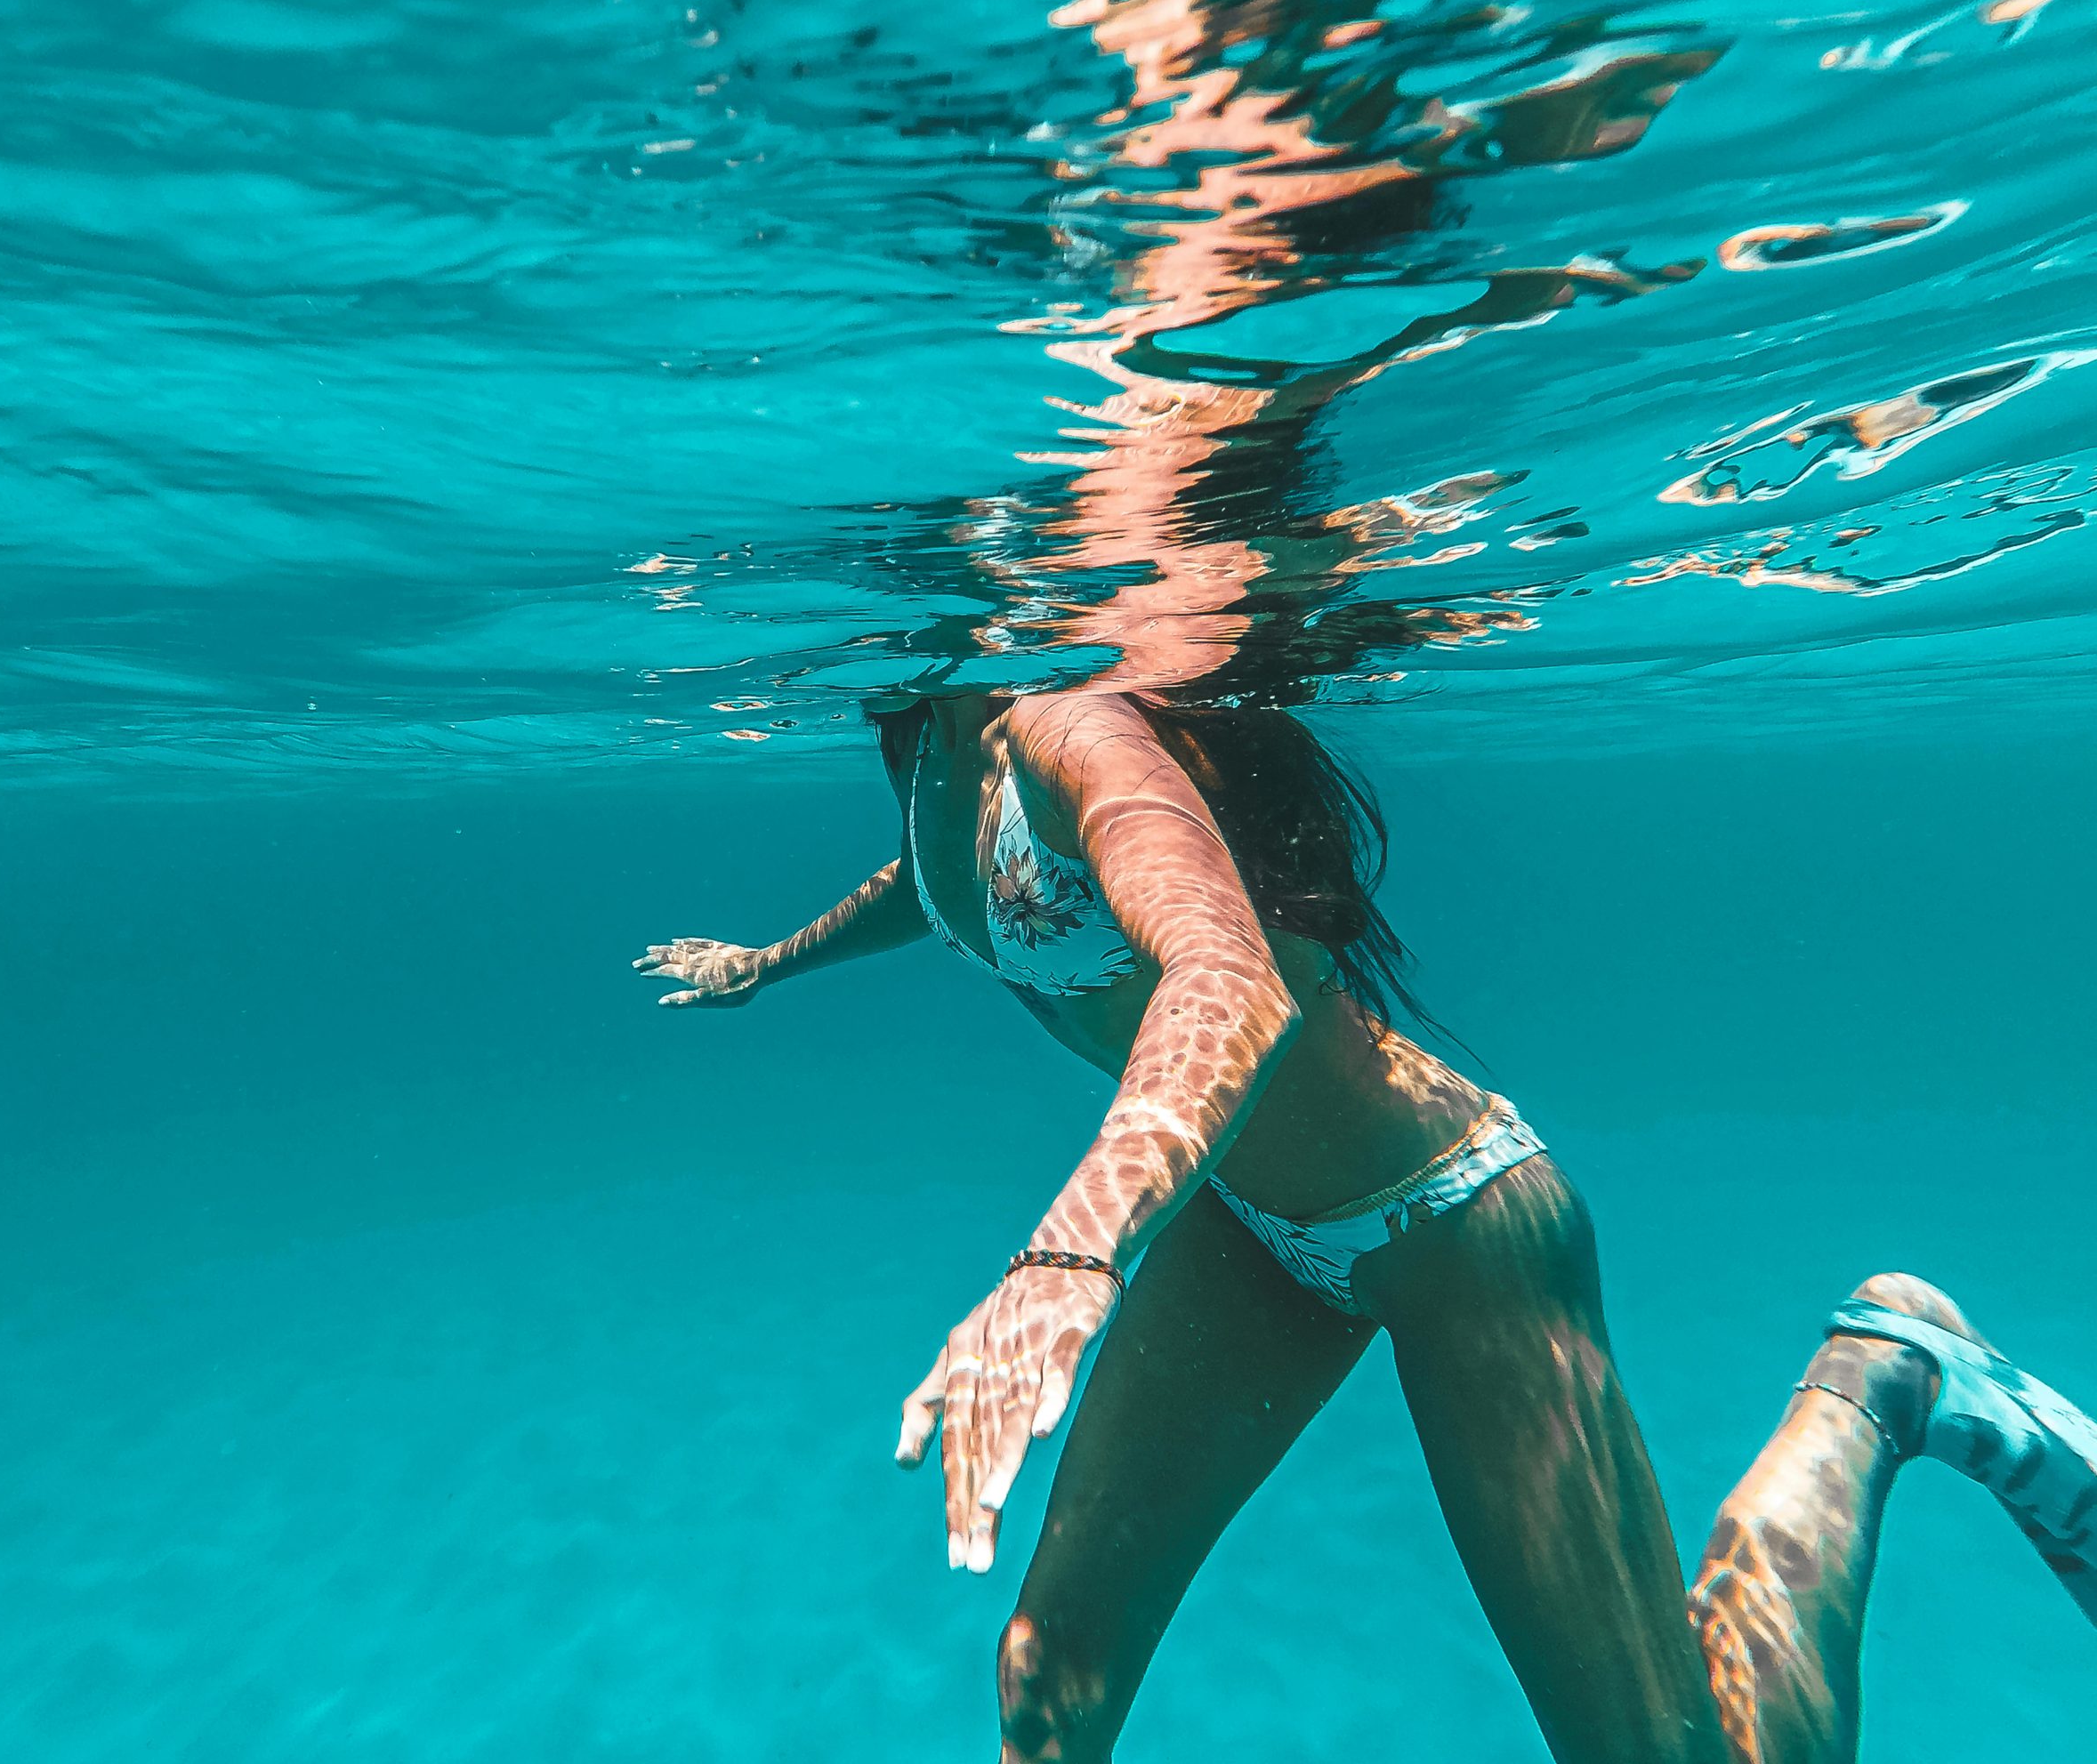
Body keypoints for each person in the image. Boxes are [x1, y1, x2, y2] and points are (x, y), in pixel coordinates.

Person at [637, 685, 2097, 1763]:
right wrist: (769, 963)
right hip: (1255, 1232)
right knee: (1049, 1676)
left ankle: (1880, 1382)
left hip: (1454, 1220)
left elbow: (1228, 980)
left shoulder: (1075, 732)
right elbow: (944, 887)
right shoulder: (940, 749)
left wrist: (1073, 1245)